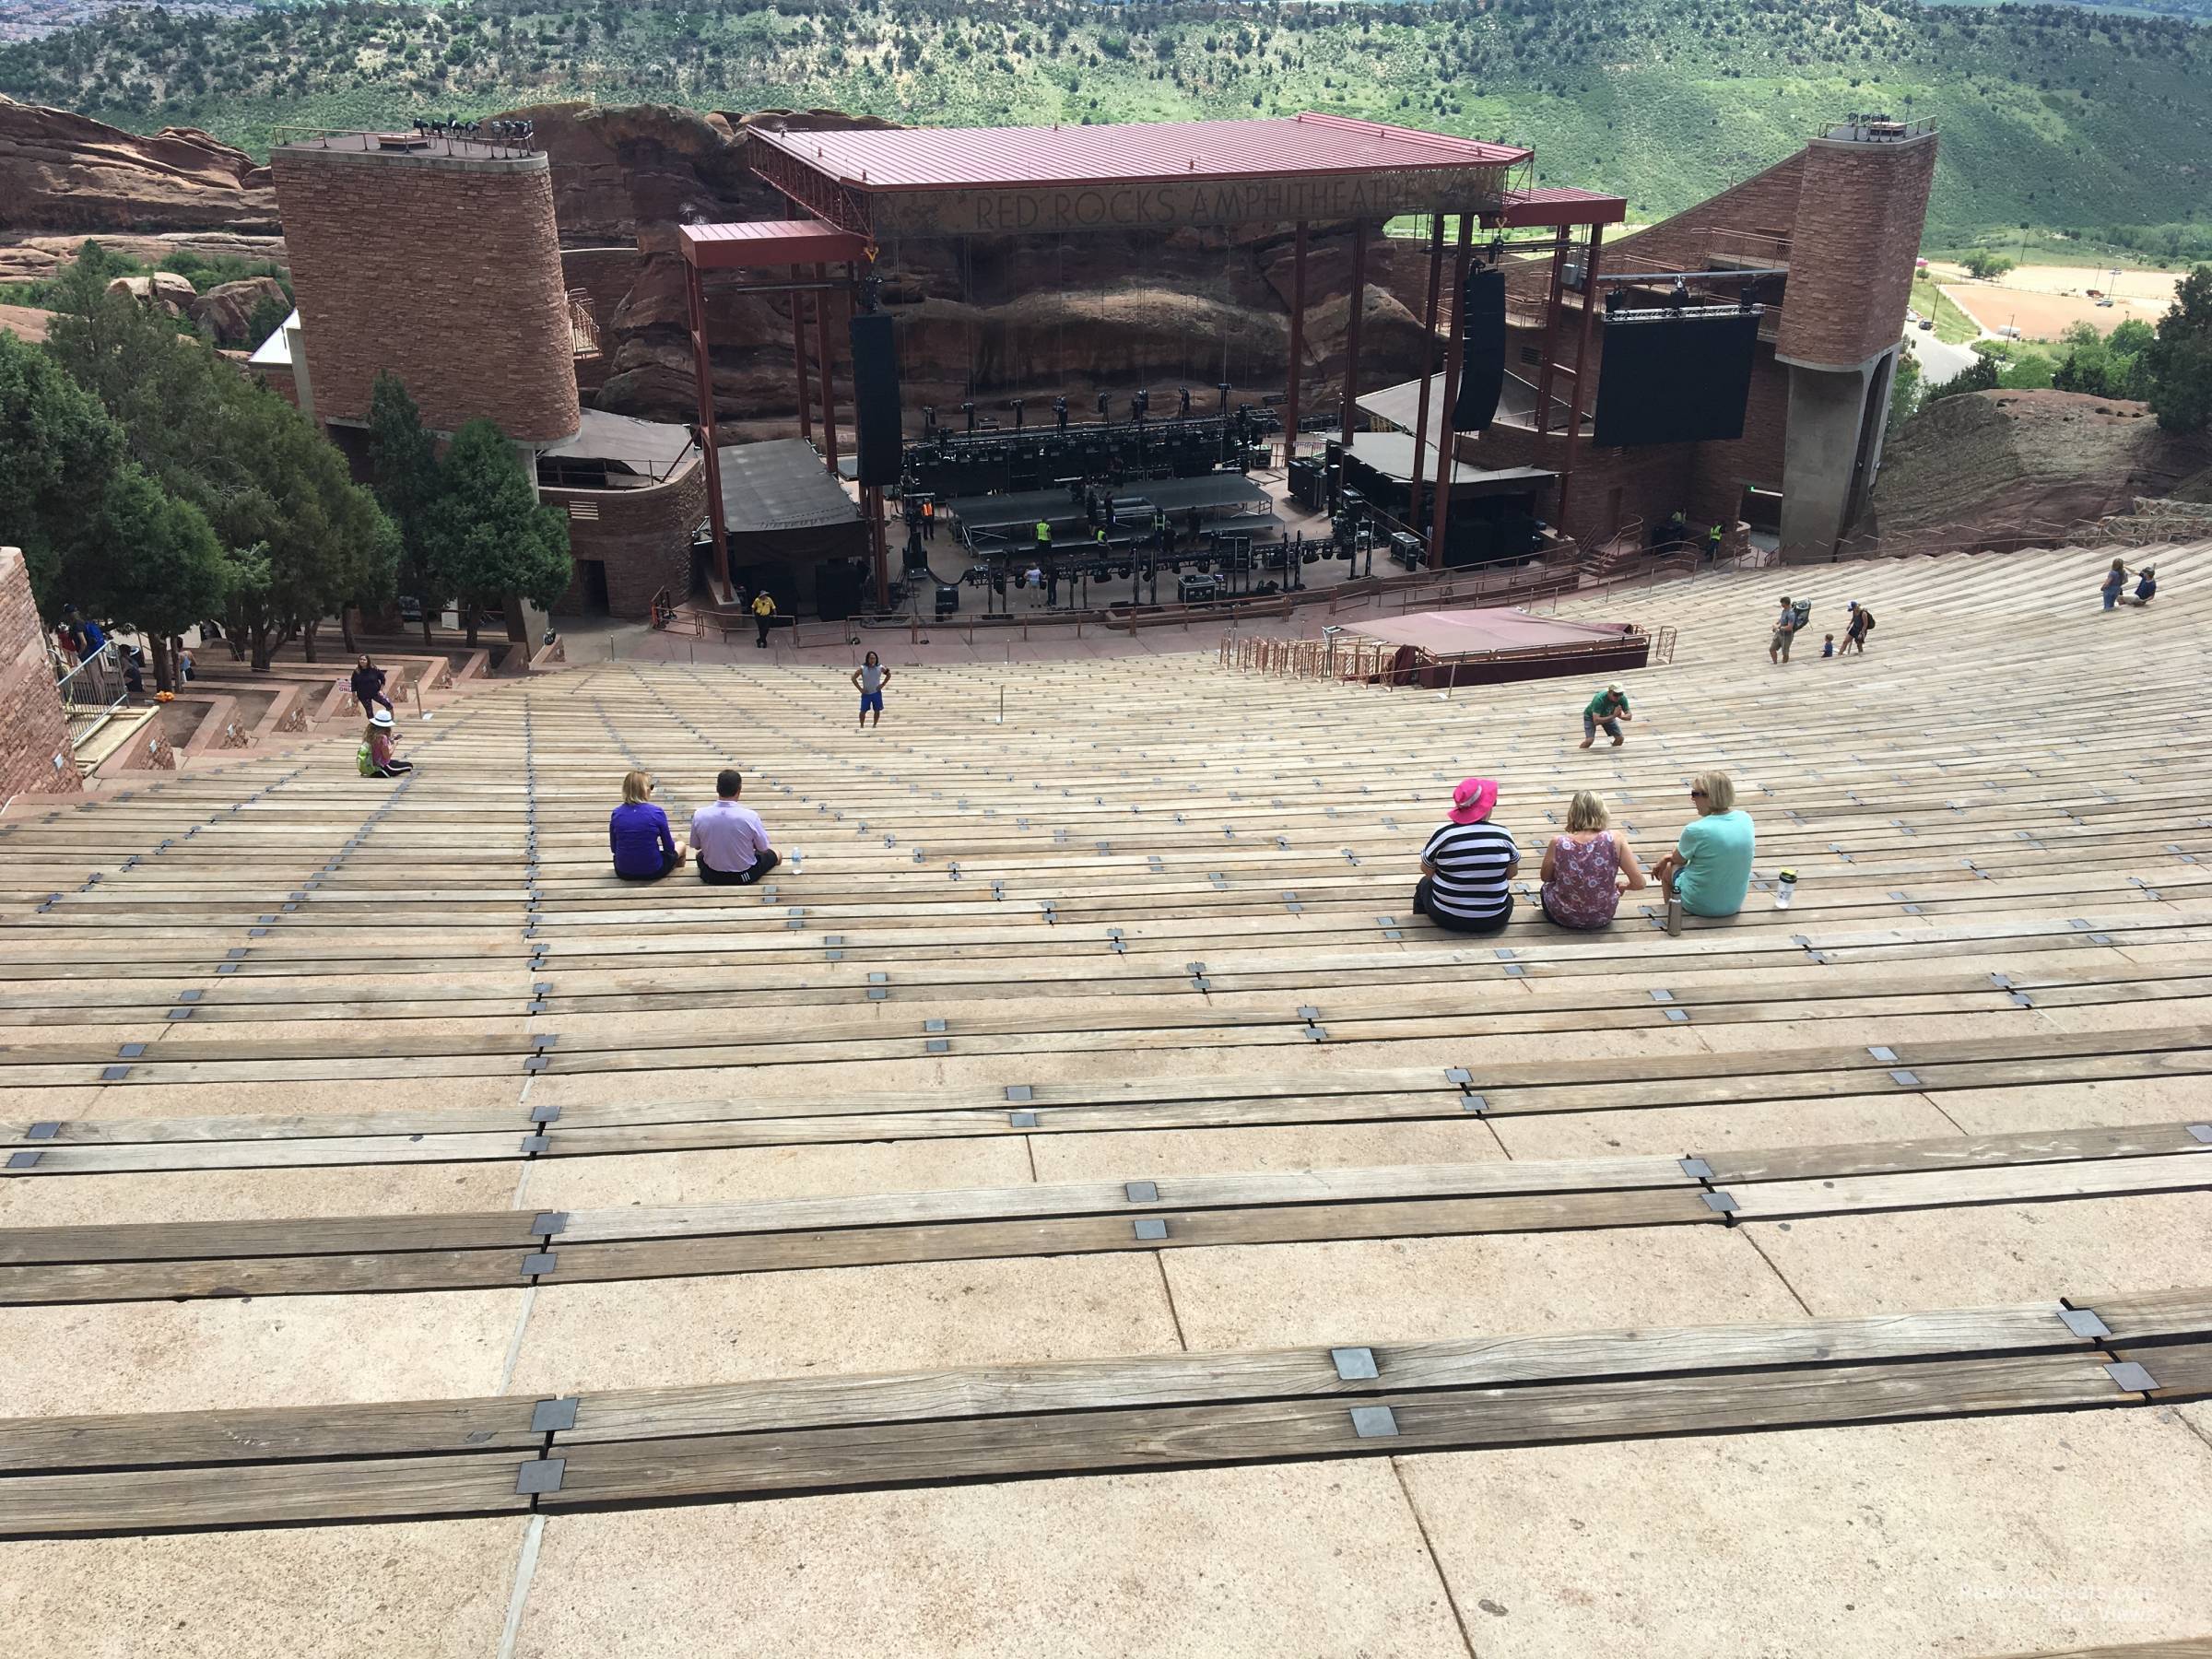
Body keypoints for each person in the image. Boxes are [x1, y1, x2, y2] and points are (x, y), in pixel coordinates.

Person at [1414, 777, 1517, 935]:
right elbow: (1511, 874)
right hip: (1495, 918)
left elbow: (1426, 870)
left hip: (1446, 917)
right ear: (1487, 807)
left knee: (1423, 884)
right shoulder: (1503, 835)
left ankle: (1420, 929)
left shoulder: (1444, 834)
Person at [1648, 771, 1756, 921]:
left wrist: (1666, 858)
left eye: (1694, 794)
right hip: (1733, 904)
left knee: (1668, 870)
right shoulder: (1746, 819)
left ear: (1708, 796)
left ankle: (1672, 913)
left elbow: (1678, 859)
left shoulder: (1696, 829)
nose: (1692, 799)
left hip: (1698, 904)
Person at [1538, 790, 1647, 931]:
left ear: (1573, 813)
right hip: (1603, 915)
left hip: (1563, 915)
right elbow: (1639, 883)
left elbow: (1545, 878)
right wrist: (1624, 886)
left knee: (1545, 889)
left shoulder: (1558, 842)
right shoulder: (1614, 839)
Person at [691, 769, 780, 885]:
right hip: (743, 875)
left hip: (711, 875)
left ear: (717, 788)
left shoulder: (699, 815)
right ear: (739, 790)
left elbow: (697, 846)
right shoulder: (750, 817)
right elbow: (763, 848)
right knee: (777, 854)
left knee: (699, 856)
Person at [609, 771, 685, 880]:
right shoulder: (656, 812)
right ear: (645, 790)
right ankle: (677, 880)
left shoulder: (616, 813)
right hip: (653, 870)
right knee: (681, 845)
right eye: (651, 786)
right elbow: (669, 848)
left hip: (623, 871)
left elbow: (614, 849)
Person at [359, 709, 411, 778]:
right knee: (409, 766)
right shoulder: (383, 738)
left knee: (397, 762)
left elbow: (378, 750)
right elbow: (387, 756)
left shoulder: (370, 735)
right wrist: (395, 744)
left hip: (373, 766)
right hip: (383, 768)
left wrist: (390, 740)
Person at [1580, 683, 1630, 749]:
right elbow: (1596, 721)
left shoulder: (1622, 698)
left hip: (1608, 714)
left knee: (1620, 739)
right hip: (1591, 717)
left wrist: (1620, 716)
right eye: (1615, 694)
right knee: (1589, 740)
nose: (1618, 697)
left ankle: (1613, 752)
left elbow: (1629, 716)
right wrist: (1614, 715)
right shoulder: (1599, 699)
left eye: (1620, 694)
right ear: (1609, 692)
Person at [853, 650, 891, 729]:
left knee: (877, 710)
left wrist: (883, 684)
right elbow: (853, 678)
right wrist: (860, 689)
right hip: (866, 693)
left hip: (876, 692)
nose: (872, 660)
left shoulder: (880, 667)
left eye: (874, 658)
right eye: (871, 658)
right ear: (867, 659)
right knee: (862, 711)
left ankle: (874, 725)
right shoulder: (863, 668)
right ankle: (862, 725)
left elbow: (889, 674)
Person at [350, 654, 394, 718]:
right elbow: (353, 684)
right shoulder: (357, 672)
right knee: (369, 712)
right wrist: (354, 696)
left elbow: (382, 679)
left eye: (364, 660)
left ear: (368, 661)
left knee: (388, 705)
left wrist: (381, 690)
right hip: (363, 695)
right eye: (361, 659)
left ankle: (390, 720)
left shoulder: (374, 669)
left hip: (376, 693)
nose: (362, 661)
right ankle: (373, 726)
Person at [1770, 594, 1798, 665]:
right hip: (1780, 633)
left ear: (1787, 604)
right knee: (1772, 649)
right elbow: (1782, 619)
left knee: (1785, 653)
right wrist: (1777, 623)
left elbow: (1789, 627)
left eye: (1783, 604)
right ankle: (1775, 663)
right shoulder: (1784, 610)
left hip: (1787, 636)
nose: (1782, 605)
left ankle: (1784, 665)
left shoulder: (1791, 614)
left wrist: (1779, 627)